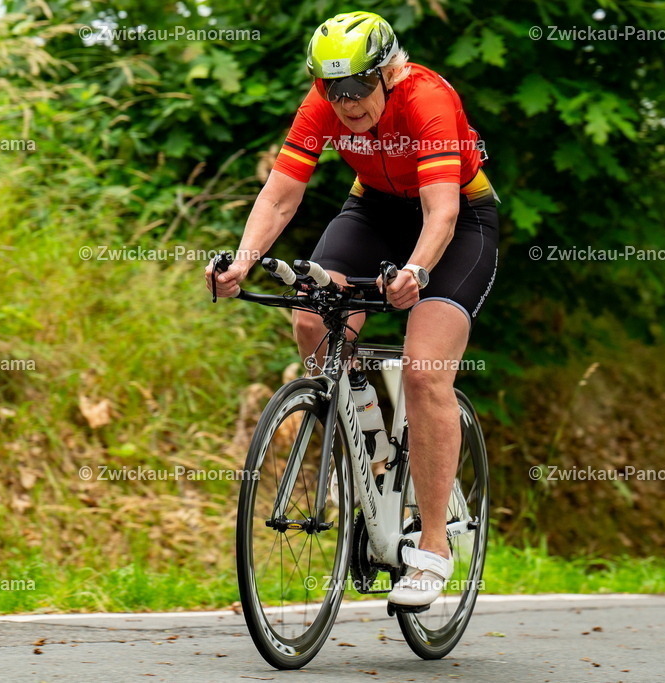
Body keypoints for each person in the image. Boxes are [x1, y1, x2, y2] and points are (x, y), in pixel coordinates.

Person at [205, 11, 498, 608]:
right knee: (312, 314)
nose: (346, 102)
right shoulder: (320, 104)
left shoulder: (427, 98)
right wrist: (240, 261)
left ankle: (435, 548)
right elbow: (283, 192)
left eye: (358, 87)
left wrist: (416, 271)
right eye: (332, 89)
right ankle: (364, 436)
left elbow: (440, 212)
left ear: (388, 72)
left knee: (424, 371)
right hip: (373, 209)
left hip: (456, 219)